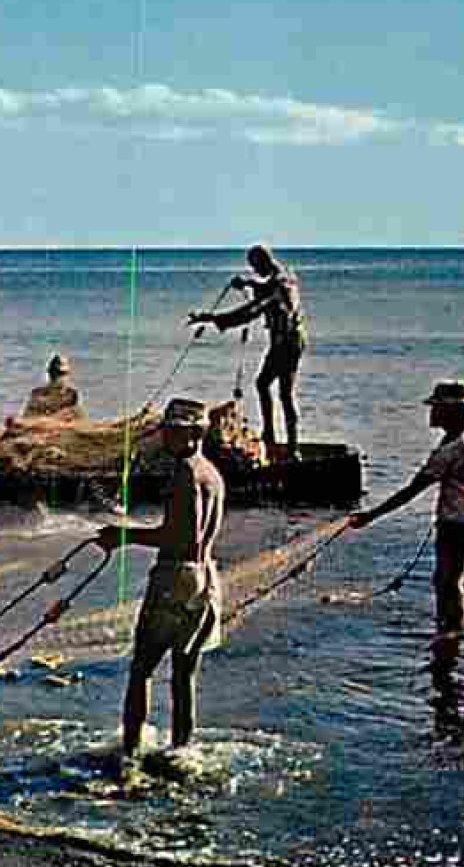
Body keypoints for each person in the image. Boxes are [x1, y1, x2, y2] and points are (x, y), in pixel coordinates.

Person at [95, 398, 226, 775]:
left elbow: (181, 537)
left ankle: (130, 756)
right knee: (184, 673)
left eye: (174, 430)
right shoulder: (212, 474)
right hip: (206, 581)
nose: (166, 435)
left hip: (175, 578)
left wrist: (124, 536)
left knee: (141, 670)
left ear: (194, 434)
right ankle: (181, 750)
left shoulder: (186, 472)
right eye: (167, 428)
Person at [348, 380, 464, 634]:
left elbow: (411, 491)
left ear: (452, 411)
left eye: (437, 407)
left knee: (450, 583)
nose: (432, 412)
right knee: (447, 580)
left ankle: (452, 633)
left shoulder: (450, 451)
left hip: (455, 523)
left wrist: (371, 516)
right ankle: (448, 630)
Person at [187, 243, 308, 460]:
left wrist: (212, 318)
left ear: (264, 261)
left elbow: (251, 311)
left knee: (283, 393)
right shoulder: (282, 276)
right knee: (264, 385)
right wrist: (249, 283)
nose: (254, 271)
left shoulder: (281, 283)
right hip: (283, 341)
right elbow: (266, 289)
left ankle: (291, 447)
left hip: (288, 342)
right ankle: (273, 436)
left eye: (254, 266)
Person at [20, 353, 84, 421]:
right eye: (55, 374)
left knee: (76, 411)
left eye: (62, 374)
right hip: (40, 427)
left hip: (61, 427)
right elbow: (26, 417)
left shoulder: (72, 394)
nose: (59, 379)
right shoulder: (37, 393)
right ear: (49, 374)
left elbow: (79, 419)